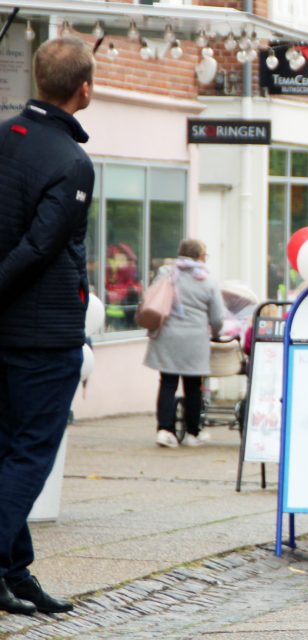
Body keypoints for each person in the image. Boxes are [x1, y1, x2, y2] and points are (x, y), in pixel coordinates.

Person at [0, 36, 96, 616]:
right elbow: (41, 247)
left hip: (7, 331)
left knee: (6, 451)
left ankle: (15, 572)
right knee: (30, 454)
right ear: (84, 88)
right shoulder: (71, 161)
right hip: (43, 334)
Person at [143, 239, 225, 448]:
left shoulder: (166, 274)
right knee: (193, 387)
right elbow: (217, 318)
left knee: (168, 383)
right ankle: (192, 432)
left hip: (167, 337)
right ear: (199, 256)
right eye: (205, 255)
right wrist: (216, 333)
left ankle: (165, 430)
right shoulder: (207, 281)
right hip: (194, 340)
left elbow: (151, 298)